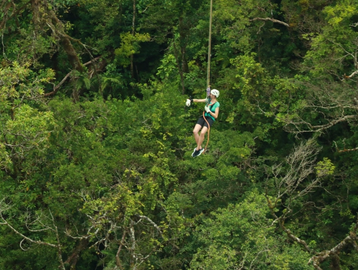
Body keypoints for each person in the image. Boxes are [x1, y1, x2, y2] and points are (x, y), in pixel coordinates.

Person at [186, 88, 220, 157]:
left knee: (202, 133)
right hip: (204, 116)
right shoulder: (208, 100)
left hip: (210, 118)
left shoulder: (217, 104)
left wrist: (209, 111)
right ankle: (200, 147)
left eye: (211, 94)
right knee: (195, 131)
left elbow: (216, 116)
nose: (210, 95)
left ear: (214, 96)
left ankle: (198, 148)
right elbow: (199, 100)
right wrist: (191, 100)